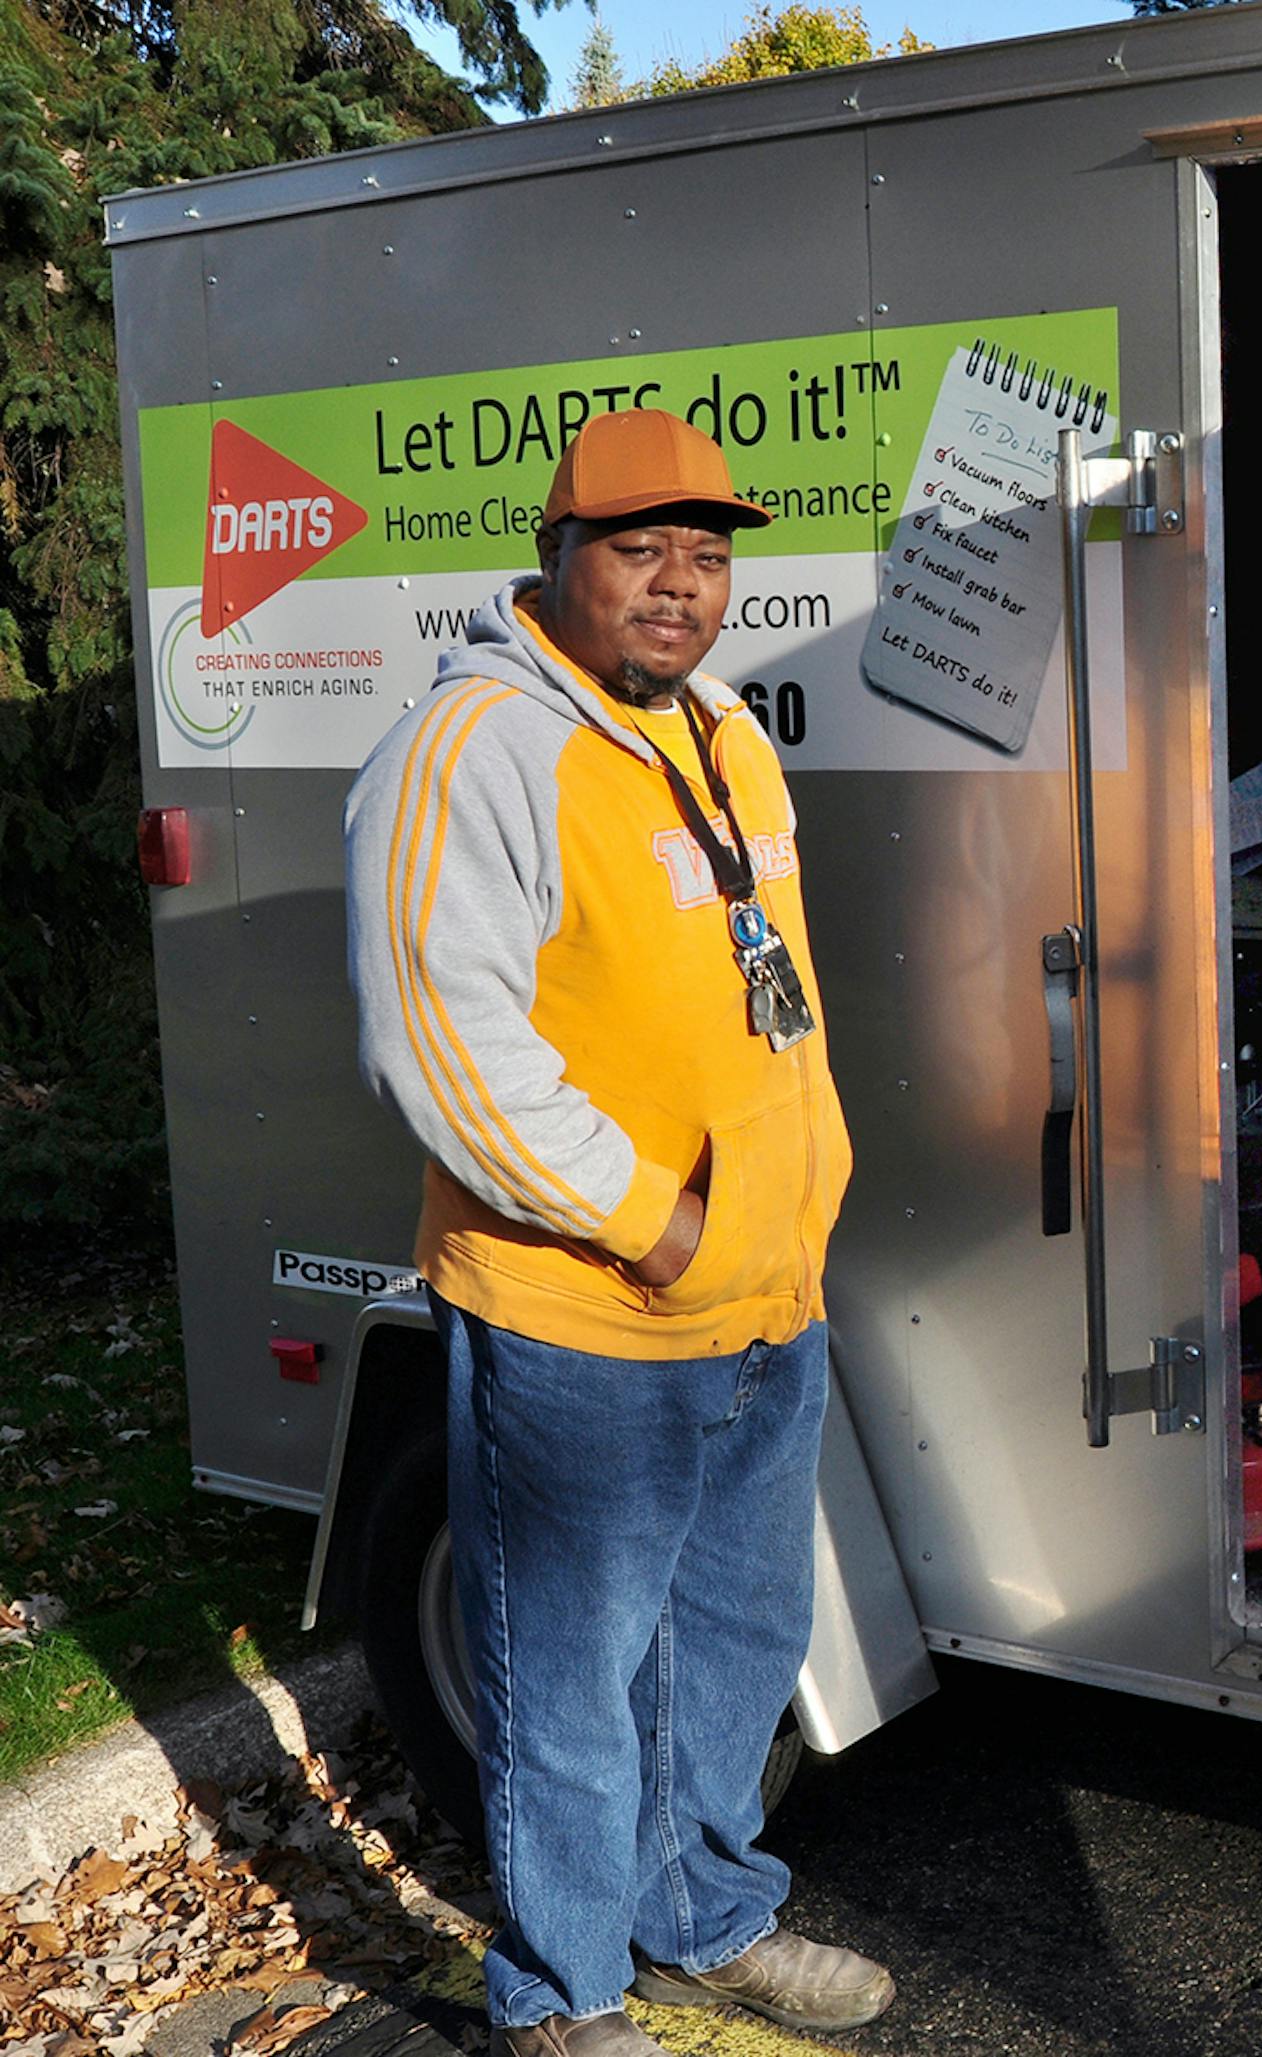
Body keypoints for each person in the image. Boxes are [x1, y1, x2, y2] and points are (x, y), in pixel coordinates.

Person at [343, 408, 893, 2056]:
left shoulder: (722, 734)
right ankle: (564, 1991)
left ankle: (703, 1920)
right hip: (587, 1314)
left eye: (706, 555)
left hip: (764, 1299)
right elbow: (444, 1047)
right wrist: (659, 1226)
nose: (679, 584)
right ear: (557, 555)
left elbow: (764, 1001)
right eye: (640, 549)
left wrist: (791, 1205)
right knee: (570, 1680)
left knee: (736, 1643)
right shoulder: (474, 747)